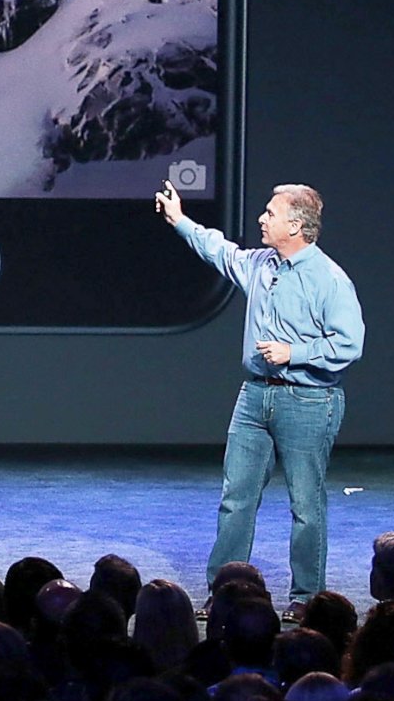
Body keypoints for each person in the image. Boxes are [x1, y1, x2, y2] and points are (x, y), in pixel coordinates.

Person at [156, 179, 364, 607]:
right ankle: (226, 592)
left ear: (296, 225)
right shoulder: (261, 265)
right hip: (254, 398)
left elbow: (349, 344)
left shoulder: (329, 278)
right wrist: (180, 220)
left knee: (306, 505)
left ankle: (306, 598)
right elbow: (220, 250)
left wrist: (295, 352)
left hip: (307, 401)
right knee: (236, 498)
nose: (261, 219)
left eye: (270, 213)